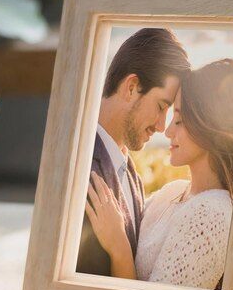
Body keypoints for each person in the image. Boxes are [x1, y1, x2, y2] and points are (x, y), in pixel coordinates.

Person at [86, 59, 233, 289]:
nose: (169, 130)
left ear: (208, 125)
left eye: (180, 120)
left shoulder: (212, 214)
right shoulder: (171, 193)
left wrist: (119, 250)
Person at [76, 27, 190, 276]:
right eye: (161, 107)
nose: (162, 126)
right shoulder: (80, 168)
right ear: (131, 87)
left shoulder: (129, 173)